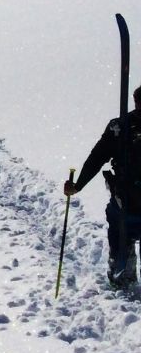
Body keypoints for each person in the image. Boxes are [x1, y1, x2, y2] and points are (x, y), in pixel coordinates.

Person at [65, 85, 141, 288]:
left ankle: (122, 277)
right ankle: (123, 280)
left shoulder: (119, 127)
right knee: (119, 233)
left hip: (126, 206)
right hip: (125, 203)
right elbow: (97, 158)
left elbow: (97, 158)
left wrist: (78, 185)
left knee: (120, 237)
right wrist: (78, 185)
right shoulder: (119, 128)